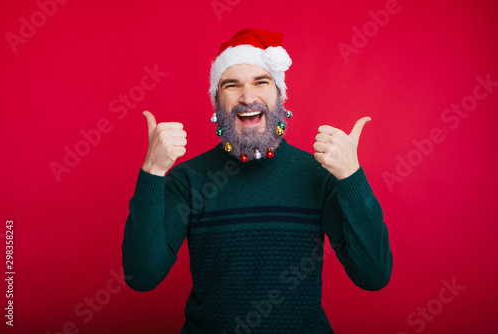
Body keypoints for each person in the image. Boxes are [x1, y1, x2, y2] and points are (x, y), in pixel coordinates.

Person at [122, 28, 393, 333]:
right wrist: (152, 172)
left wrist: (351, 176)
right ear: (216, 101)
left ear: (279, 95)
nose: (247, 97)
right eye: (232, 85)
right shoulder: (189, 179)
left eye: (261, 82)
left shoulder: (318, 175)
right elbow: (141, 277)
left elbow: (373, 275)